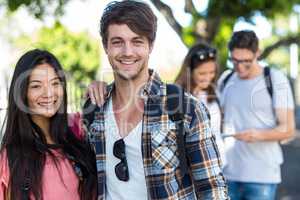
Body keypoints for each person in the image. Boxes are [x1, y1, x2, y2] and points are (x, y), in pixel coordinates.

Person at [83, 1, 228, 199]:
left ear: (151, 45)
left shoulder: (185, 108)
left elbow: (212, 188)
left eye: (137, 41)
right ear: (106, 46)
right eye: (117, 42)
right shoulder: (94, 109)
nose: (127, 52)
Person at [0, 49, 97, 200]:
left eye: (55, 83)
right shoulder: (10, 159)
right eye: (36, 86)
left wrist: (102, 88)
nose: (49, 93)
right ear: (22, 93)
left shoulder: (77, 129)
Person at [218, 30, 295, 200]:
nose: (239, 67)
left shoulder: (275, 79)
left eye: (246, 61)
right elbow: (218, 120)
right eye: (235, 61)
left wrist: (258, 135)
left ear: (257, 54)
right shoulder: (226, 79)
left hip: (262, 177)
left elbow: (288, 129)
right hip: (228, 174)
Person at [175, 43, 226, 166]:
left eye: (212, 72)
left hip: (219, 164)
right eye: (202, 73)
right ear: (190, 71)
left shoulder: (215, 92)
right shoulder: (178, 97)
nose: (208, 77)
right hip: (194, 168)